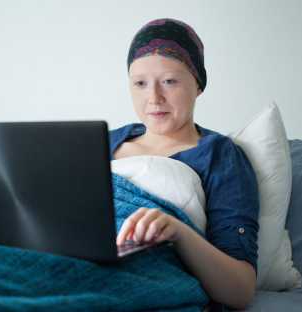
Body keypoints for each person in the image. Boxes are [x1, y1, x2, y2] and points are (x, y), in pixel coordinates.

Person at [110, 18, 260, 311]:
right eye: (140, 83)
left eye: (169, 81)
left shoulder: (220, 155)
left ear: (198, 85)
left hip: (142, 276)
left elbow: (240, 290)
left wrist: (176, 231)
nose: (153, 98)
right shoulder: (104, 141)